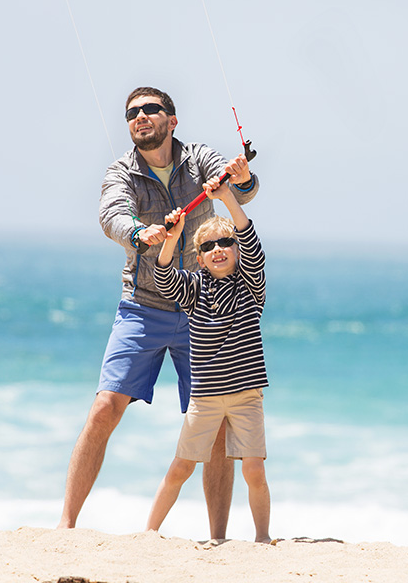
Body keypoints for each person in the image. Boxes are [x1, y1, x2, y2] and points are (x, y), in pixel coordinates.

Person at [58, 87, 259, 540]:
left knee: (217, 422)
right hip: (143, 306)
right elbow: (111, 215)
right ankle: (66, 526)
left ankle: (219, 537)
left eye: (151, 110)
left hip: (203, 308)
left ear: (172, 119)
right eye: (132, 113)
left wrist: (241, 179)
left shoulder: (199, 158)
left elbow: (242, 191)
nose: (141, 117)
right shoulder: (121, 172)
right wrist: (138, 231)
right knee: (104, 407)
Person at [146, 178, 271, 543]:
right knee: (180, 467)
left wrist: (227, 198)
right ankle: (149, 533)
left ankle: (262, 537)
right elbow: (164, 277)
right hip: (205, 398)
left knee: (254, 471)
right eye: (208, 246)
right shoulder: (194, 286)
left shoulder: (251, 286)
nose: (218, 250)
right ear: (199, 257)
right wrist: (173, 237)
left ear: (236, 250)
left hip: (247, 395)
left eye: (225, 243)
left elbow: (252, 241)